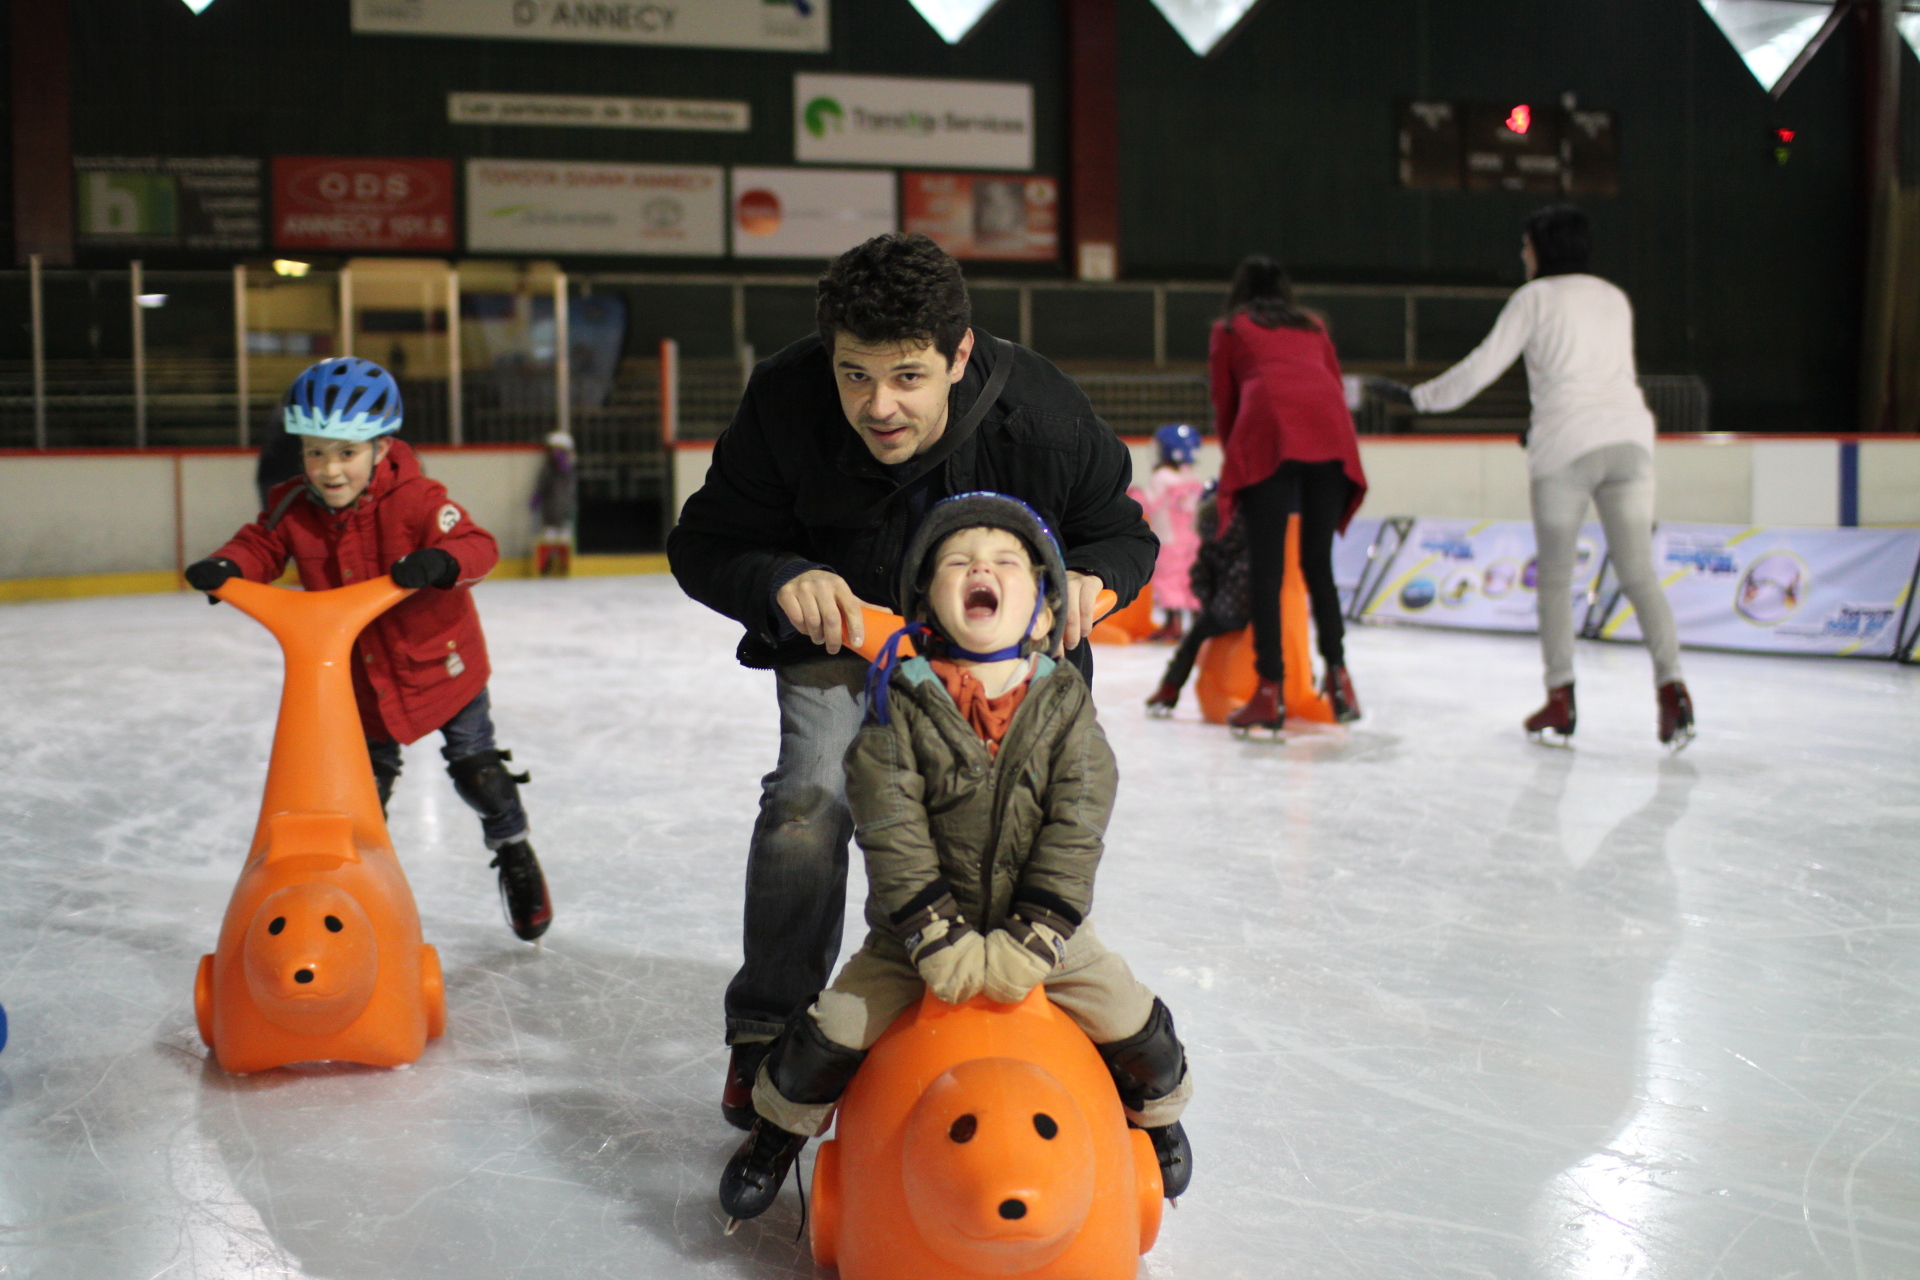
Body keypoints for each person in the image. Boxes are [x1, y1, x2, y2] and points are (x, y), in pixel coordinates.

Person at [667, 233, 1156, 1129]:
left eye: (907, 377)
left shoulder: (1041, 416)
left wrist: (1095, 580)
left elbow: (1121, 532)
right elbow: (704, 543)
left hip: (1002, 658)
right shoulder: (785, 399)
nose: (878, 406)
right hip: (848, 637)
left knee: (1013, 824)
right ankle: (769, 1025)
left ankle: (1021, 1011)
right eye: (854, 375)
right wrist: (780, 577)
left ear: (959, 355)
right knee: (809, 800)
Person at [716, 494, 1193, 1225]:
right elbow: (892, 829)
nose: (982, 570)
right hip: (910, 939)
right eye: (959, 562)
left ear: (1043, 611)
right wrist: (931, 935)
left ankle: (1155, 1113)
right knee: (829, 1031)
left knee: (1135, 1022)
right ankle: (776, 1133)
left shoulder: (1064, 705)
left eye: (1006, 563)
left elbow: (1077, 826)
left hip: (1048, 935)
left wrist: (1040, 933)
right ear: (927, 604)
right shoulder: (897, 706)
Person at [184, 357, 555, 940]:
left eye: (347, 452)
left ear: (381, 448)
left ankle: (514, 850)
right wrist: (229, 566)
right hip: (359, 680)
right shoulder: (292, 505)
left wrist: (441, 561)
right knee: (359, 798)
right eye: (315, 452)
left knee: (478, 771)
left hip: (442, 667)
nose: (329, 470)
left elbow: (477, 545)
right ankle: (353, 895)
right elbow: (261, 544)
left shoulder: (418, 499)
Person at [1396, 205, 1694, 750]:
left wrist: (1420, 399)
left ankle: (1561, 697)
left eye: (1526, 245)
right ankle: (1673, 688)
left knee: (1555, 581)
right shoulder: (1614, 297)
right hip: (1630, 442)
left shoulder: (1533, 299)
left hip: (1566, 449)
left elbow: (1483, 365)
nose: (1523, 254)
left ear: (1542, 248)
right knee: (1639, 574)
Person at [1209, 256, 1368, 732]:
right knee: (1318, 563)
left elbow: (1225, 404)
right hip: (1330, 432)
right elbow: (1332, 382)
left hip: (1269, 430)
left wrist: (1238, 460)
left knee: (1268, 569)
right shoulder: (1314, 326)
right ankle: (1340, 680)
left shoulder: (1231, 328)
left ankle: (1269, 690)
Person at [1147, 481, 1251, 715]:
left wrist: (1210, 602)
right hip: (1254, 612)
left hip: (1221, 612)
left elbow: (1199, 576)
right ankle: (1283, 682)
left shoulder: (1212, 540)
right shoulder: (1252, 538)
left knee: (1190, 644)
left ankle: (1169, 688)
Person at [1137, 423, 1206, 642]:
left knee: (1167, 579)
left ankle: (1173, 624)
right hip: (1192, 538)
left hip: (1168, 539)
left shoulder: (1162, 476)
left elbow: (1150, 503)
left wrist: (1133, 496)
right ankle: (1198, 622)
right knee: (1190, 579)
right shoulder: (1191, 475)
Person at [530, 430, 577, 577]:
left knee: (565, 539)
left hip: (564, 512)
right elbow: (542, 484)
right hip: (549, 512)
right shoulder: (547, 468)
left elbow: (569, 490)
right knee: (548, 538)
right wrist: (537, 495)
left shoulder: (569, 468)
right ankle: (546, 565)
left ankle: (564, 566)